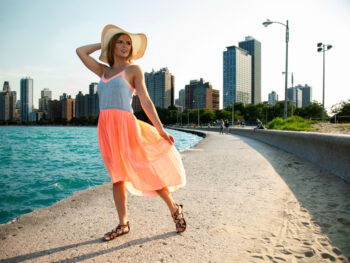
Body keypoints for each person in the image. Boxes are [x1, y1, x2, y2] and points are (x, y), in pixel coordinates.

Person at [76, 25, 186, 241]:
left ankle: (174, 207)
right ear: (112, 46)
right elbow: (80, 51)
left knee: (147, 170)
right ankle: (123, 223)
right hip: (107, 128)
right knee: (117, 178)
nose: (125, 46)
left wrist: (161, 128)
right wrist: (103, 43)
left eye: (128, 43)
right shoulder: (103, 71)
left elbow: (145, 100)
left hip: (126, 127)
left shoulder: (133, 70)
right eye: (120, 42)